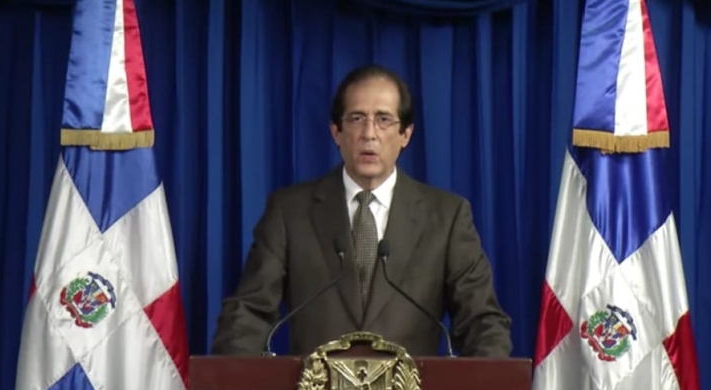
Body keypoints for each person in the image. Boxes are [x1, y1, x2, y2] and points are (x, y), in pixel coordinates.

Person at [210, 64, 512, 358]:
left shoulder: (447, 217)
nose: (369, 133)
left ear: (406, 134)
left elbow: (481, 322)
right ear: (336, 132)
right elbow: (248, 314)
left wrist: (492, 380)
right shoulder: (290, 213)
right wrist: (231, 378)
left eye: (383, 119)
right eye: (357, 118)